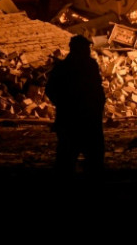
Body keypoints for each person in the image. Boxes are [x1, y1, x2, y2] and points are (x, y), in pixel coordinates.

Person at [45, 34, 106, 180]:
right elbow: (97, 89)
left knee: (67, 156)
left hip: (70, 119)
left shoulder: (64, 67)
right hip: (86, 119)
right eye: (86, 48)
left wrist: (61, 104)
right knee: (92, 155)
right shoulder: (88, 65)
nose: (88, 50)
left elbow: (50, 89)